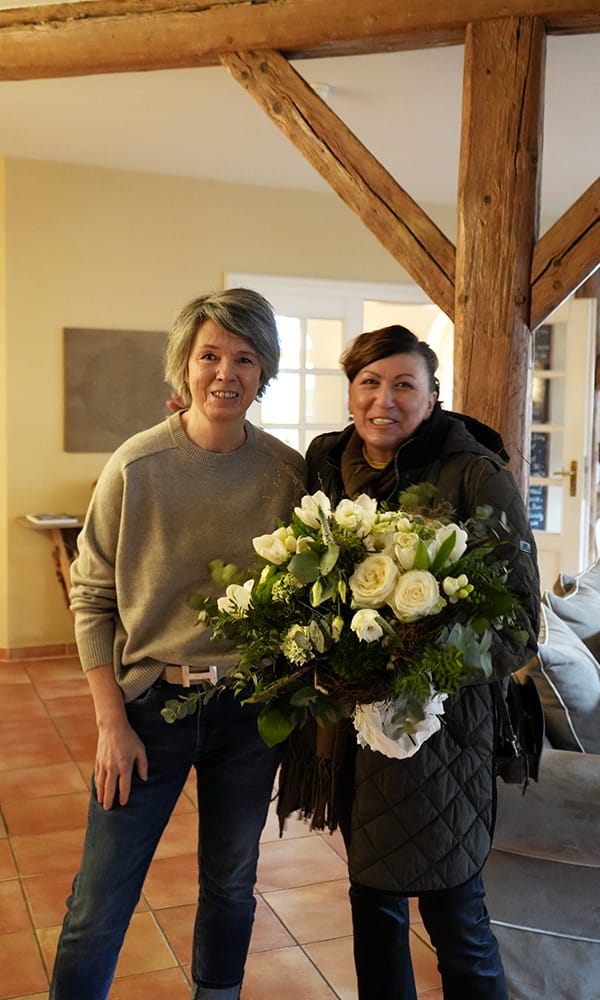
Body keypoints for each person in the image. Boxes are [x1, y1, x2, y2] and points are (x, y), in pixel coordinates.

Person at [50, 288, 306, 1000]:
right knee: (100, 901)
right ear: (184, 366)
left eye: (245, 358)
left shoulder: (288, 475)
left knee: (231, 885)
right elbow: (90, 597)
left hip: (249, 713)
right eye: (210, 355)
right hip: (146, 711)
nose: (225, 373)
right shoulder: (135, 467)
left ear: (264, 371)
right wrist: (110, 723)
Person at [287, 324, 540, 1000]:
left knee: (455, 908)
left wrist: (411, 665)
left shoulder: (475, 473)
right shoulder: (326, 462)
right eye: (369, 382)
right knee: (372, 899)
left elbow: (519, 622)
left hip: (442, 732)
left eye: (404, 384)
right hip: (351, 729)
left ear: (432, 398)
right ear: (350, 392)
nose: (385, 399)